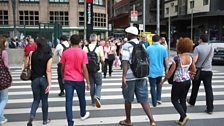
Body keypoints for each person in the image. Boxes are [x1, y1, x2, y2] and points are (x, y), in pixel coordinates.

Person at [120, 26, 156, 126]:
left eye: (127, 33)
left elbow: (125, 62)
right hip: (142, 75)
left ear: (130, 35)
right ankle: (152, 120)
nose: (126, 34)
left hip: (131, 76)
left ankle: (128, 120)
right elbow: (146, 59)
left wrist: (124, 76)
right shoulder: (142, 44)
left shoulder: (127, 45)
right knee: (144, 99)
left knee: (128, 99)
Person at [161, 37, 196, 126]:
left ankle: (184, 116)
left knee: (174, 100)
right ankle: (181, 120)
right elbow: (193, 70)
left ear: (180, 47)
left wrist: (163, 81)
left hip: (178, 82)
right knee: (183, 99)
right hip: (187, 81)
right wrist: (191, 75)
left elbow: (170, 72)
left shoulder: (176, 58)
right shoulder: (190, 57)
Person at [60, 34, 90, 126]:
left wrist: (62, 77)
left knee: (68, 101)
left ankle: (70, 123)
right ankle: (83, 113)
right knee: (82, 98)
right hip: (79, 79)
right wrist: (88, 82)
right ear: (79, 42)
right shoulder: (83, 53)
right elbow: (84, 68)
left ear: (70, 42)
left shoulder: (65, 52)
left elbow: (62, 67)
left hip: (68, 79)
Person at [27, 37, 52, 126]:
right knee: (44, 100)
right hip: (44, 80)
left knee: (36, 100)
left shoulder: (32, 54)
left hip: (35, 80)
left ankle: (32, 115)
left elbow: (29, 66)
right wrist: (49, 84)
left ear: (37, 45)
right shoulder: (48, 57)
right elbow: (48, 71)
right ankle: (45, 120)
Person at [188, 35, 214, 114]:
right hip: (208, 71)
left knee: (195, 87)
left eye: (199, 39)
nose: (198, 40)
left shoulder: (197, 48)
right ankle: (210, 108)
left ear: (201, 40)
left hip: (198, 70)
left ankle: (192, 101)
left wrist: (191, 68)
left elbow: (194, 60)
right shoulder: (211, 47)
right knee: (208, 89)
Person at [146, 35, 169, 107]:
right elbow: (166, 60)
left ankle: (154, 102)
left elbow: (146, 60)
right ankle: (158, 98)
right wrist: (167, 69)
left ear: (152, 40)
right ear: (159, 40)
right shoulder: (163, 48)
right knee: (159, 85)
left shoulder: (148, 48)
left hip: (151, 71)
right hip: (160, 70)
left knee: (152, 86)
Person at [83, 34, 104, 108]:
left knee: (92, 85)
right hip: (98, 69)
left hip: (88, 69)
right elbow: (102, 59)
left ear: (89, 39)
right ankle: (97, 96)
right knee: (99, 84)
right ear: (96, 39)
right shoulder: (99, 48)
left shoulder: (85, 48)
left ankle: (93, 102)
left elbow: (83, 60)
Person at [0, 36, 9, 125]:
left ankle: (1, 117)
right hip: (2, 77)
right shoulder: (4, 52)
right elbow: (6, 66)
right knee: (4, 98)